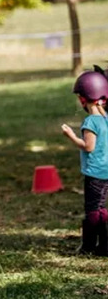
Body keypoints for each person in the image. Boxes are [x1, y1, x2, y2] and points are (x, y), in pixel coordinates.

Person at [61, 71, 108, 256]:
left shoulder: (90, 122)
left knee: (92, 210)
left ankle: (88, 247)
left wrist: (71, 136)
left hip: (94, 173)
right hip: (105, 171)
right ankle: (104, 245)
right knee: (101, 207)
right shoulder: (106, 119)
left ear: (83, 99)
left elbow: (88, 147)